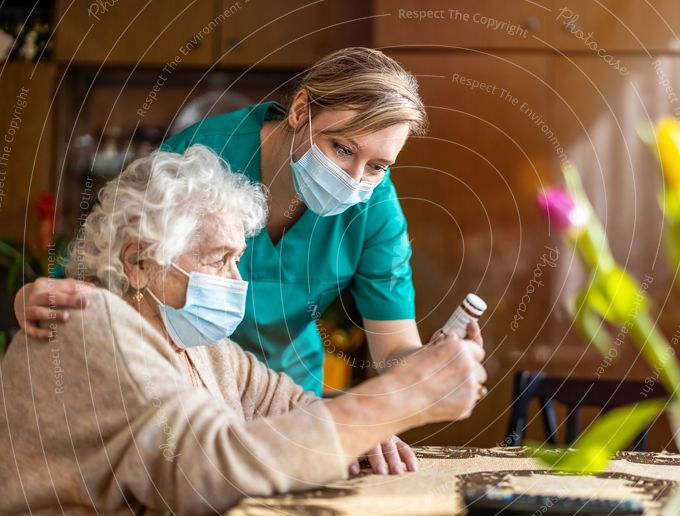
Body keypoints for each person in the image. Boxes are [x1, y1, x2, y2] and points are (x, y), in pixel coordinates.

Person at [13, 48, 483, 473]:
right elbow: (104, 275)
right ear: (301, 109)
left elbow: (393, 348)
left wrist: (425, 368)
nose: (355, 180)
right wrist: (40, 299)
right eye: (342, 148)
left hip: (282, 394)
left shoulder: (373, 206)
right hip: (181, 385)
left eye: (379, 166)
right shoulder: (201, 159)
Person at [0, 146, 487, 516]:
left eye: (237, 259)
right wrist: (394, 404)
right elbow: (210, 469)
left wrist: (362, 437)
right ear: (139, 262)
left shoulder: (199, 347)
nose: (236, 282)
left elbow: (289, 407)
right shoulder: (92, 325)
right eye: (217, 259)